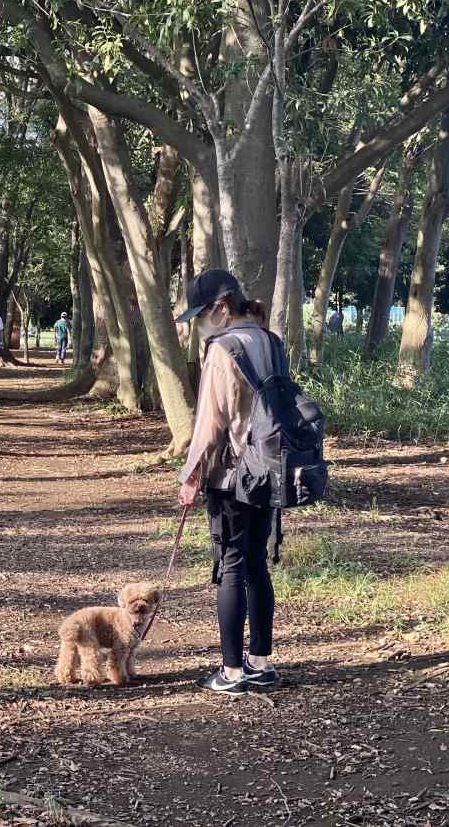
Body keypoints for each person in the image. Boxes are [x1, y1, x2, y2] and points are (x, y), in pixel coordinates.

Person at [175, 268, 279, 696]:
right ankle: (261, 662)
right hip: (271, 468)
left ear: (220, 307)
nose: (201, 321)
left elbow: (209, 421)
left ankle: (232, 672)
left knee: (231, 566)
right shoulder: (272, 341)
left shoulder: (222, 349)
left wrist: (190, 475)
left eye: (202, 312)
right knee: (256, 562)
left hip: (232, 473)